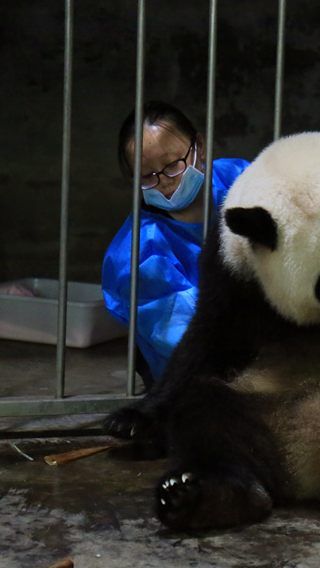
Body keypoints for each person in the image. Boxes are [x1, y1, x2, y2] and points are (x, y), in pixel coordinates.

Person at [102, 100, 249, 387]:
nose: (164, 182)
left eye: (172, 165)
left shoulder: (241, 180)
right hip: (198, 368)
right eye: (147, 176)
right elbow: (187, 337)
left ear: (200, 147)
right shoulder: (138, 254)